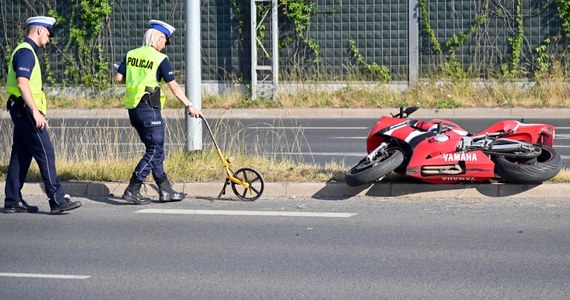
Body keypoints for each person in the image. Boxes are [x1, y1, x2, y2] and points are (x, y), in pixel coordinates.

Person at [115, 19, 202, 205]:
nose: (165, 45)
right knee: (155, 150)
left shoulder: (131, 54)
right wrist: (190, 105)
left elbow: (118, 78)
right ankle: (133, 188)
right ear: (158, 38)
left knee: (156, 150)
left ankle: (165, 190)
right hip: (150, 110)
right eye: (165, 41)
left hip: (134, 111)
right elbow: (175, 87)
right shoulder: (160, 59)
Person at [4, 16, 82, 214]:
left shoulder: (24, 50)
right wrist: (35, 111)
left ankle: (13, 200)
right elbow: (23, 83)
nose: (49, 38)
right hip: (26, 110)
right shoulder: (26, 52)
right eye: (49, 33)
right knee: (46, 153)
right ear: (39, 30)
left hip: (20, 109)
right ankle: (57, 199)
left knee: (21, 155)